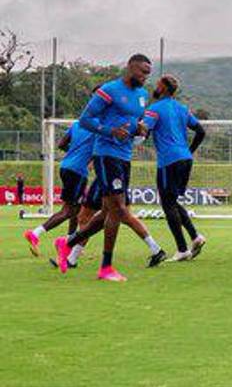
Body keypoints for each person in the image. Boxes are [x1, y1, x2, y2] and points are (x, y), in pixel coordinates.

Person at [54, 54, 166, 281]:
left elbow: (133, 122)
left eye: (148, 73)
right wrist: (109, 131)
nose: (146, 77)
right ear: (130, 68)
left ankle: (68, 243)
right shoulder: (109, 90)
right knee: (118, 210)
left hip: (125, 156)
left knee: (108, 211)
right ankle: (106, 267)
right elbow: (86, 119)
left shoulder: (143, 96)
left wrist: (140, 128)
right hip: (106, 155)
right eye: (142, 72)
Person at [142, 75, 207, 262]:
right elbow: (201, 131)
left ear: (162, 87)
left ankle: (182, 249)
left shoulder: (154, 109)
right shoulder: (182, 109)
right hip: (185, 159)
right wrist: (189, 151)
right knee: (172, 201)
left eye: (157, 84)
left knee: (167, 203)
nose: (155, 87)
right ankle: (195, 237)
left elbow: (142, 131)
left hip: (168, 161)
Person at [23, 119, 95, 255]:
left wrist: (74, 152)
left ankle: (69, 243)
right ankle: (35, 233)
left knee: (76, 209)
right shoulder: (98, 128)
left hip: (65, 167)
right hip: (78, 171)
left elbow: (61, 144)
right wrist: (86, 158)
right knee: (67, 211)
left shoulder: (77, 124)